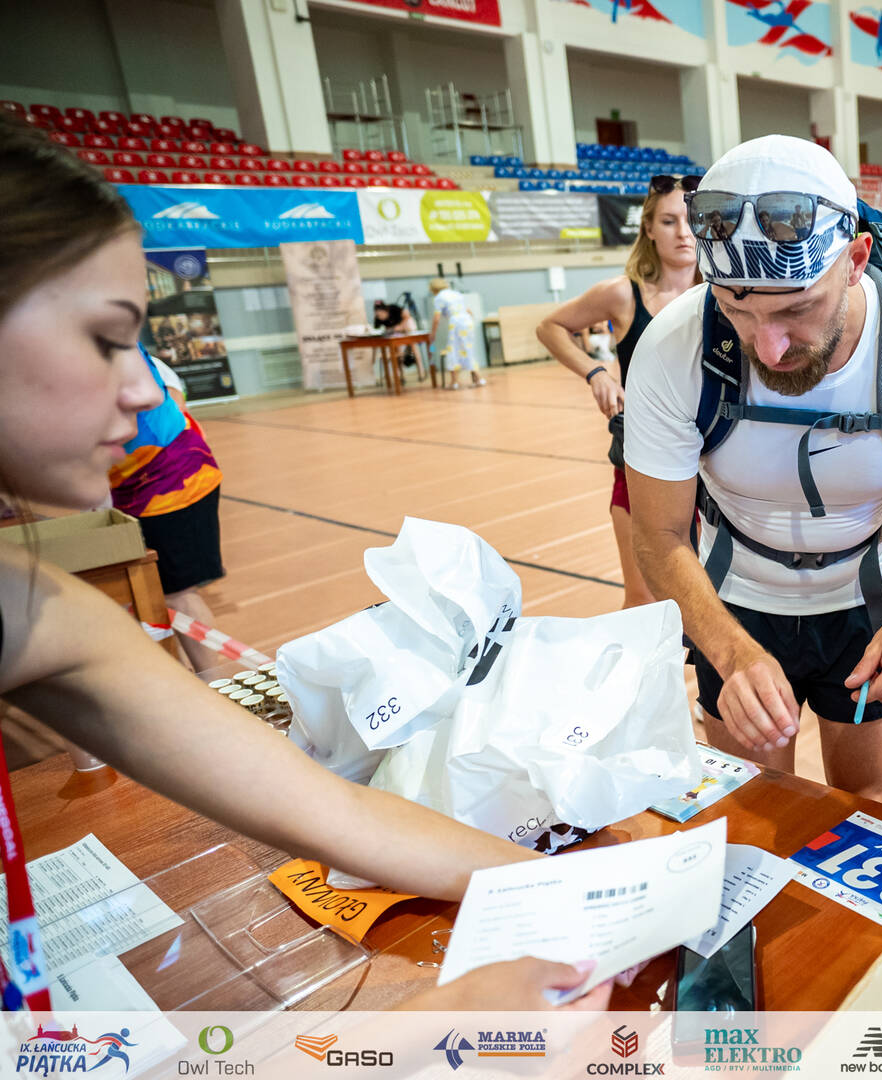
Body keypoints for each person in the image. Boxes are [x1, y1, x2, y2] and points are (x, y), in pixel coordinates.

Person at [0, 118, 612, 1012]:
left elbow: (336, 813)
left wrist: (580, 893)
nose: (143, 388)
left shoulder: (38, 606)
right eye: (105, 338)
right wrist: (427, 1028)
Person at [624, 136, 882, 805]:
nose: (769, 347)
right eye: (736, 310)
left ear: (856, 261)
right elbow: (659, 534)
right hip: (733, 601)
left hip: (868, 604)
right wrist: (729, 651)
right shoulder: (674, 348)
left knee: (867, 795)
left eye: (796, 308)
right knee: (754, 802)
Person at [537, 175, 702, 610]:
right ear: (649, 228)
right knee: (644, 599)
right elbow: (550, 326)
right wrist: (597, 373)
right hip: (644, 464)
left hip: (713, 465)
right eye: (669, 221)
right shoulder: (623, 294)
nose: (683, 233)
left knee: (708, 600)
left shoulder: (724, 292)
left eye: (690, 220)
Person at [105, 346, 226, 672]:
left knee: (178, 592)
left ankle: (213, 684)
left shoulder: (114, 349)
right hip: (127, 487)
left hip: (173, 480)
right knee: (149, 589)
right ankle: (187, 676)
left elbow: (167, 398)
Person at [428, 277, 485, 389]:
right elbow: (467, 310)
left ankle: (455, 381)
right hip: (467, 322)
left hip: (456, 323)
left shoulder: (439, 298)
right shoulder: (456, 294)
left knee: (453, 350)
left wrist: (433, 333)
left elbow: (436, 318)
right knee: (467, 349)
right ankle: (477, 378)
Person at [372, 298, 419, 368]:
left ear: (385, 310)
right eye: (378, 315)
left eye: (381, 314)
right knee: (394, 348)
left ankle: (418, 366)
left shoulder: (393, 308)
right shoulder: (378, 318)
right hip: (396, 335)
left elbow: (407, 314)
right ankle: (399, 369)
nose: (380, 317)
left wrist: (400, 326)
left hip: (406, 328)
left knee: (412, 345)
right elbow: (376, 329)